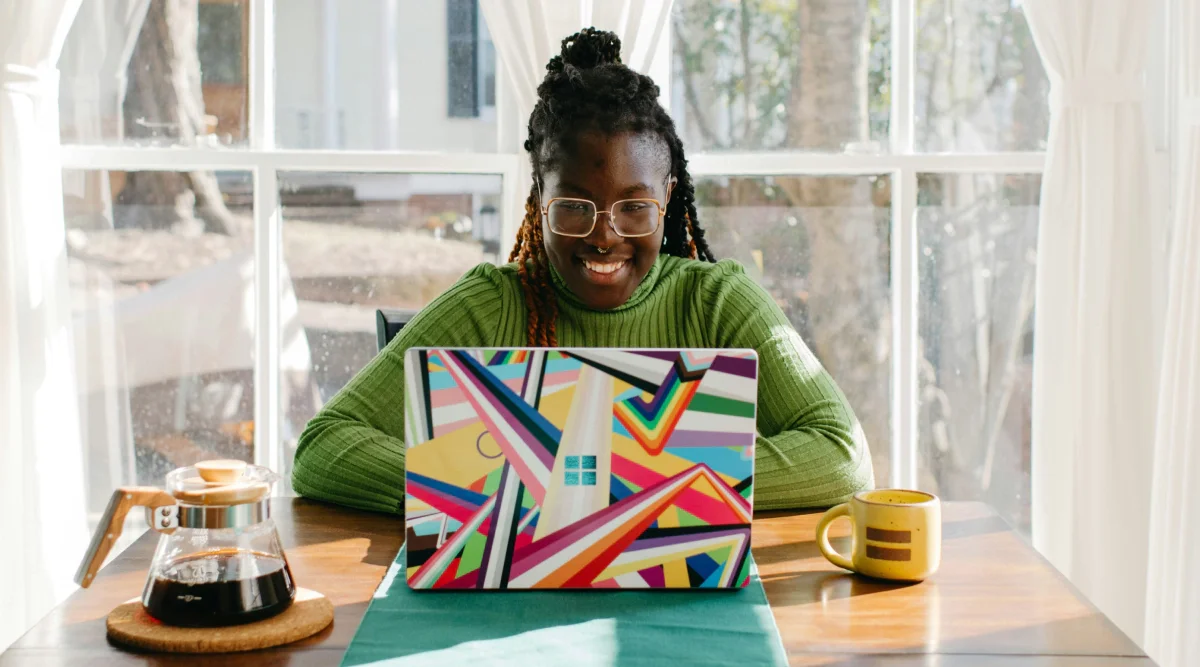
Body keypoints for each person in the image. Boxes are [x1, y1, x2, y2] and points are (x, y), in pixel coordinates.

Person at [292, 28, 873, 515]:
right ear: (539, 198)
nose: (604, 235)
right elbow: (322, 447)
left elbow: (842, 454)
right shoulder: (492, 305)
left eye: (634, 207)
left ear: (667, 200)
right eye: (573, 206)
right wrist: (482, 489)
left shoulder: (715, 301)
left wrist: (612, 491)